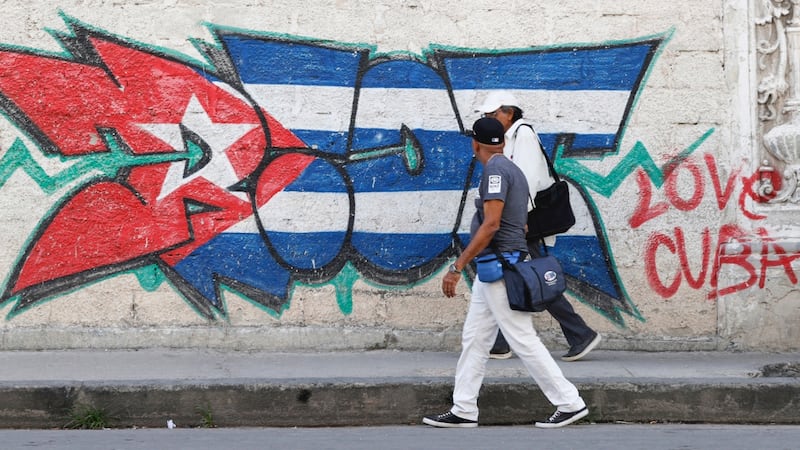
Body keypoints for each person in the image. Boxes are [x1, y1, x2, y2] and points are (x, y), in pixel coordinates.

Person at [422, 117, 588, 429]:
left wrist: (457, 267)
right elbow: (522, 222)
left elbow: (492, 224)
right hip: (494, 268)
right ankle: (464, 408)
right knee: (474, 338)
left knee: (523, 339)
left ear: (475, 144)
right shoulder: (514, 169)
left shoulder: (495, 172)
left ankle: (569, 402)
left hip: (500, 266)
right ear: (501, 141)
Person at [476, 91, 601, 362]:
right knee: (510, 274)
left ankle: (580, 334)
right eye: (487, 116)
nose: (491, 120)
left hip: (522, 221)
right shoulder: (510, 138)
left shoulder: (523, 136)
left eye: (494, 114)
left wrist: (519, 220)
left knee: (531, 276)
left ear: (510, 113)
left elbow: (527, 180)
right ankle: (500, 342)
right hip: (516, 220)